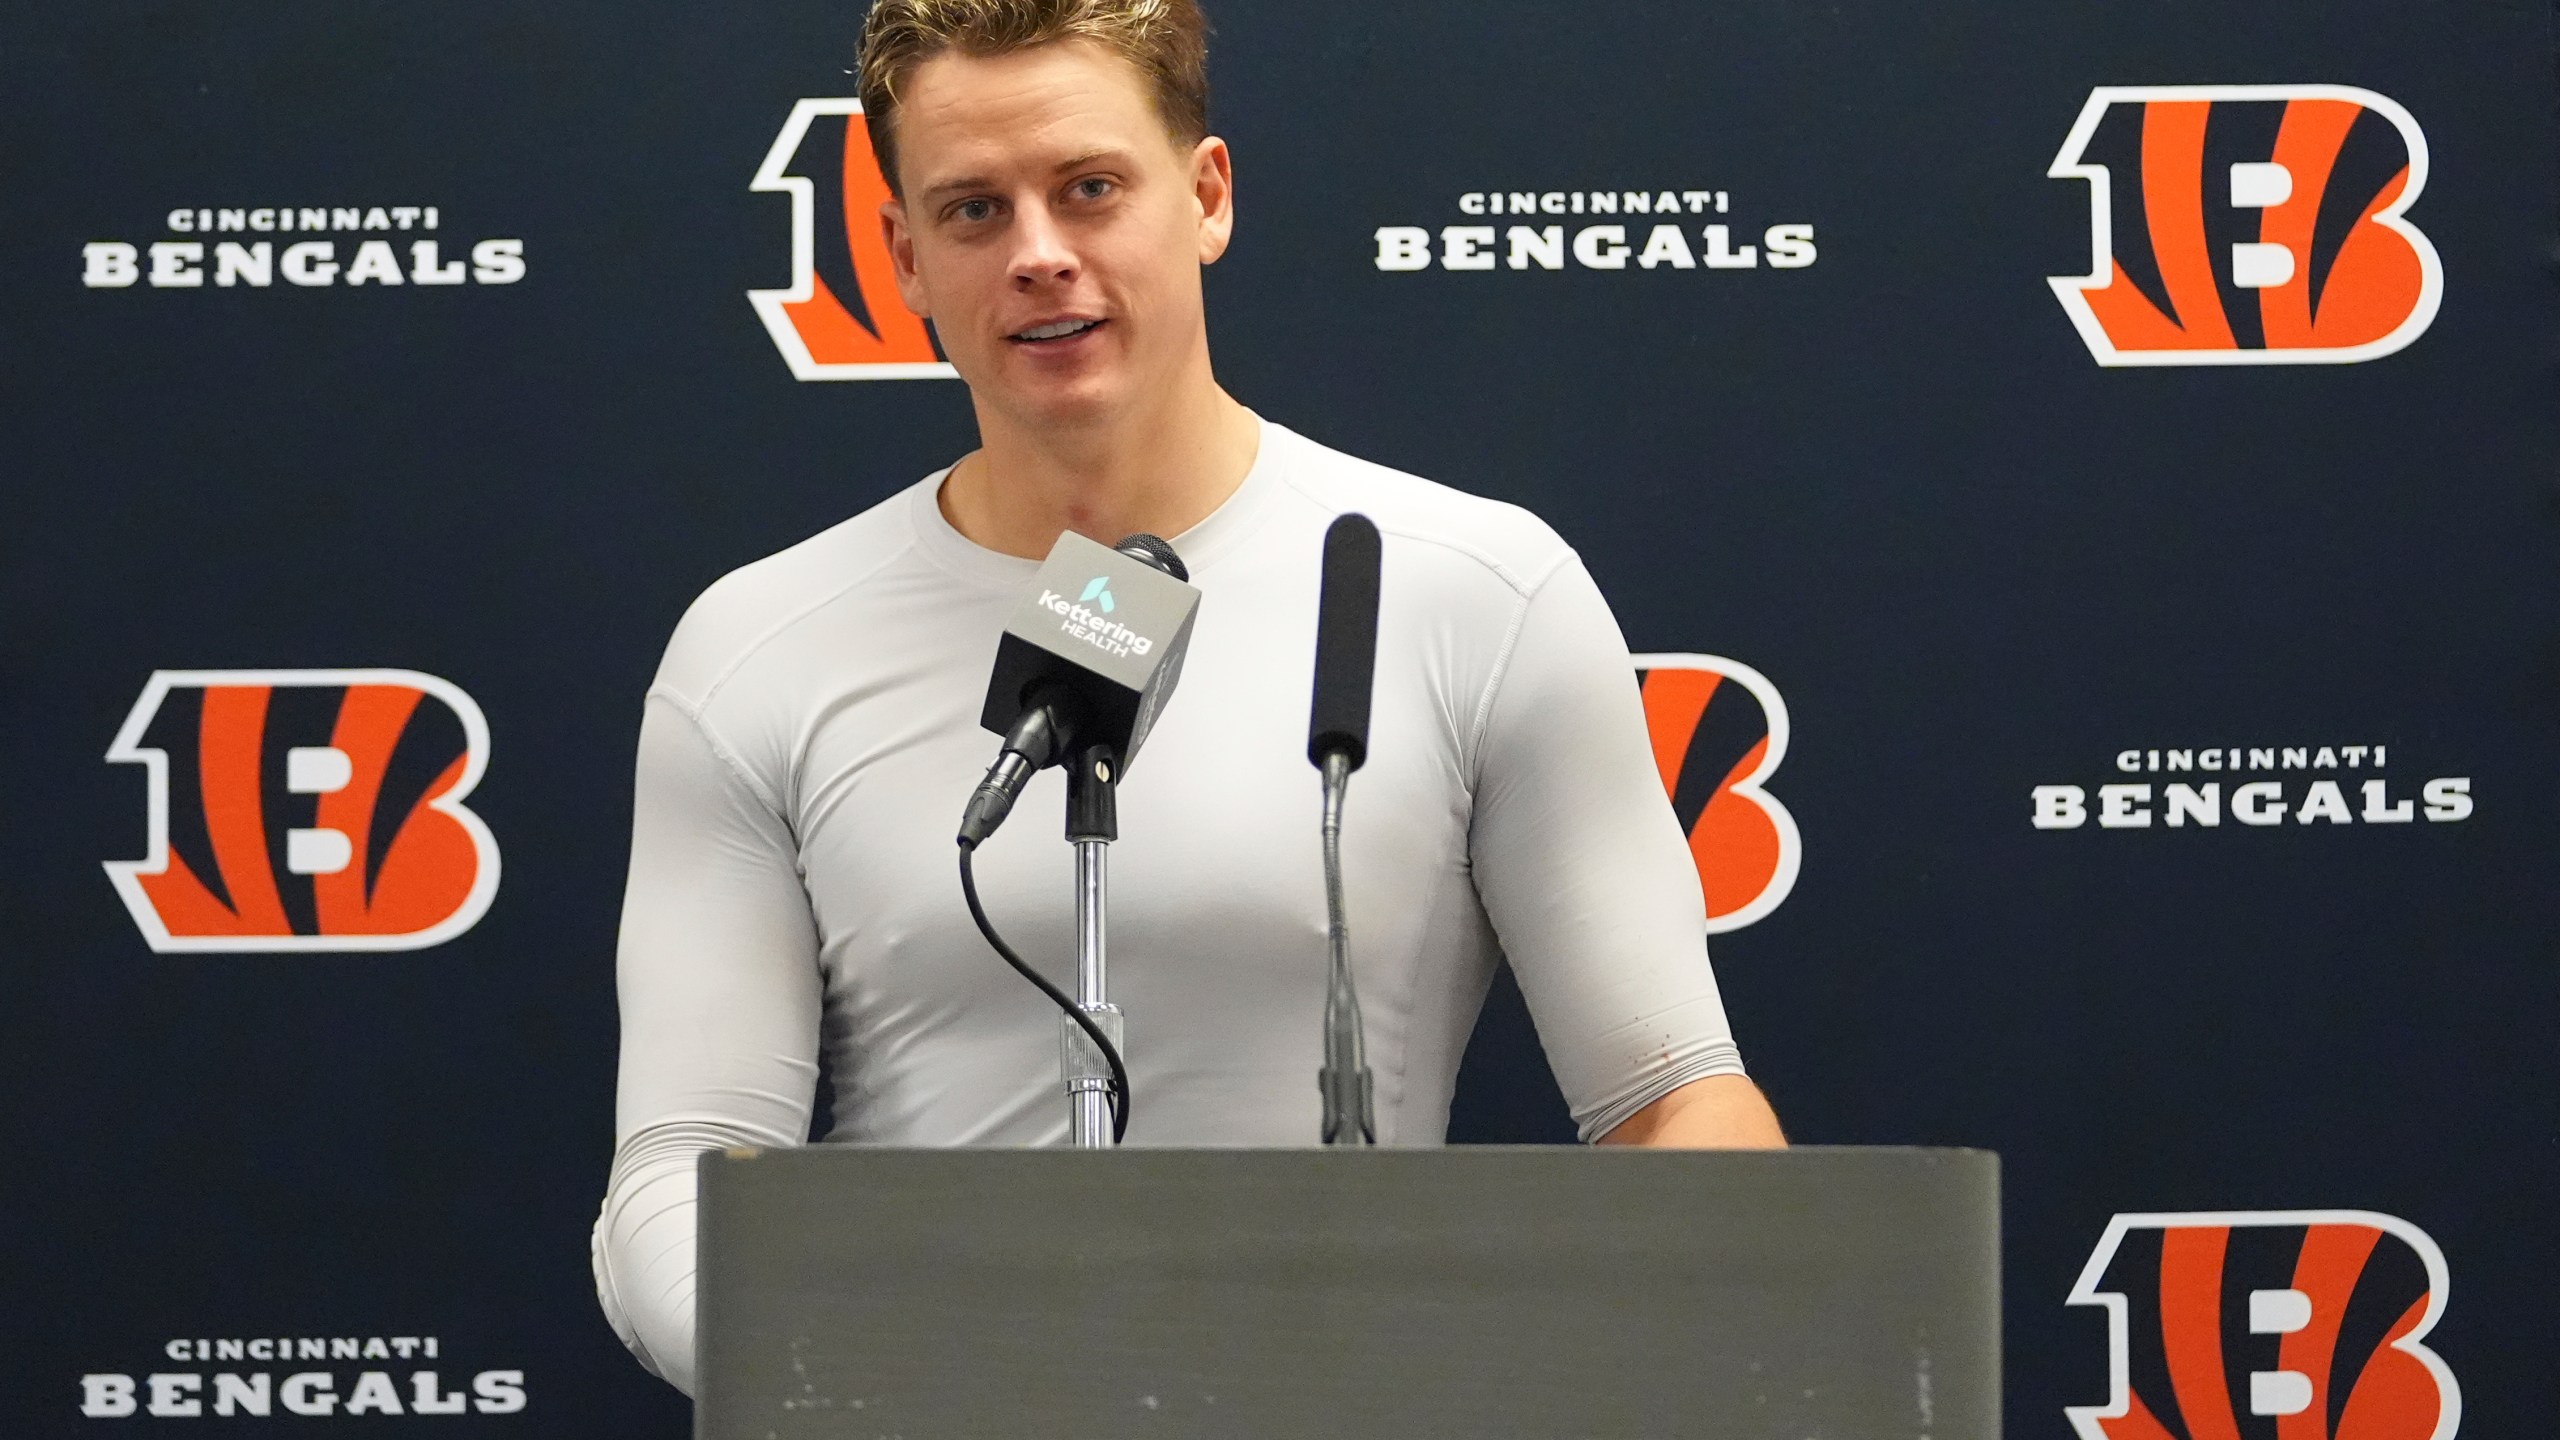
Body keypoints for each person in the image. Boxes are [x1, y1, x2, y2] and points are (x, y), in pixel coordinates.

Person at [593, 0, 1785, 1395]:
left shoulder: (1470, 589)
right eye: (975, 211)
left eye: (1089, 188)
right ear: (906, 259)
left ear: (1206, 196)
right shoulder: (762, 646)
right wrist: (888, 1378)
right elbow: (678, 1178)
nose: (1040, 254)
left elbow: (1672, 1101)